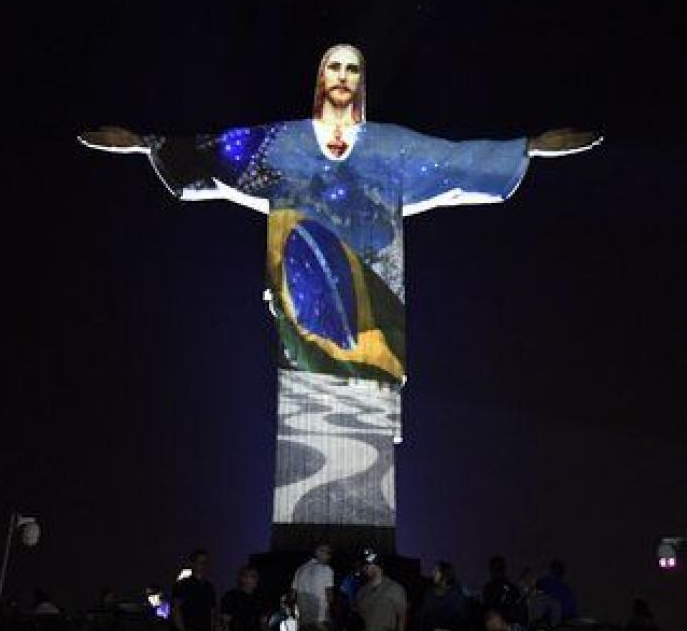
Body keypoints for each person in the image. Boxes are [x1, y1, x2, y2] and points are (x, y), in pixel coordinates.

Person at [79, 46, 601, 546]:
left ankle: (362, 519)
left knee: (366, 422)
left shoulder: (390, 146)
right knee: (309, 416)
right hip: (304, 314)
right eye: (334, 67)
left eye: (353, 68)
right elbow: (212, 153)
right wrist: (145, 143)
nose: (344, 77)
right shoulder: (281, 143)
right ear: (320, 77)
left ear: (362, 81)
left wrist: (527, 148)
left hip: (373, 307)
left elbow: (457, 160)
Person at [171, 549, 219, 631]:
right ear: (192, 564)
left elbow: (212, 612)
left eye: (205, 563)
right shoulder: (183, 585)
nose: (203, 566)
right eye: (200, 562)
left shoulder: (209, 588)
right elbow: (176, 610)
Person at [356, 549, 408, 631]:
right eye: (364, 566)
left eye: (367, 565)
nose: (364, 568)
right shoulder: (361, 591)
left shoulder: (395, 588)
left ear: (377, 566)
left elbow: (402, 618)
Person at [419, 561, 469, 631]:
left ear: (445, 574)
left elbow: (461, 618)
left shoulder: (456, 594)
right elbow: (423, 618)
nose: (433, 573)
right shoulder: (429, 593)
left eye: (436, 571)